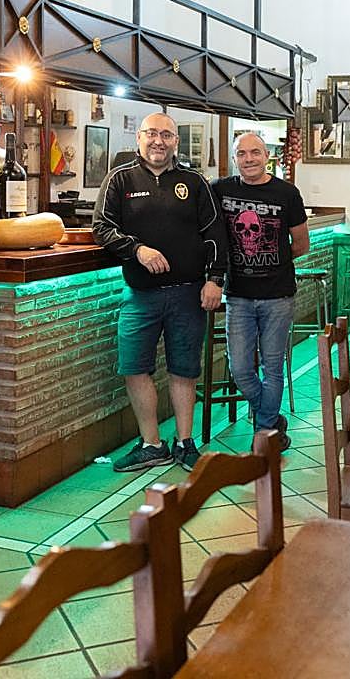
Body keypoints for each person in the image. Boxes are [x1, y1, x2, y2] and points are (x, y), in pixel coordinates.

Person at [93, 112, 227, 472]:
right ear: (139, 138)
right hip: (140, 294)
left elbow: (216, 234)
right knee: (134, 367)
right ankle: (152, 444)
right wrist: (137, 249)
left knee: (185, 369)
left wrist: (215, 280)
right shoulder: (119, 179)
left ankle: (185, 443)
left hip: (189, 294)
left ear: (176, 142)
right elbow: (102, 228)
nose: (158, 141)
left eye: (166, 135)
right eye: (151, 133)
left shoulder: (194, 181)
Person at [212, 133, 309, 449]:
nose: (249, 158)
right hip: (238, 295)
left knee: (272, 367)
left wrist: (274, 263)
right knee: (239, 368)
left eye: (255, 152)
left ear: (268, 156)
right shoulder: (220, 190)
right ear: (234, 158)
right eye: (242, 153)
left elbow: (302, 244)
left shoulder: (287, 193)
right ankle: (272, 419)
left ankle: (262, 434)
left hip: (278, 295)